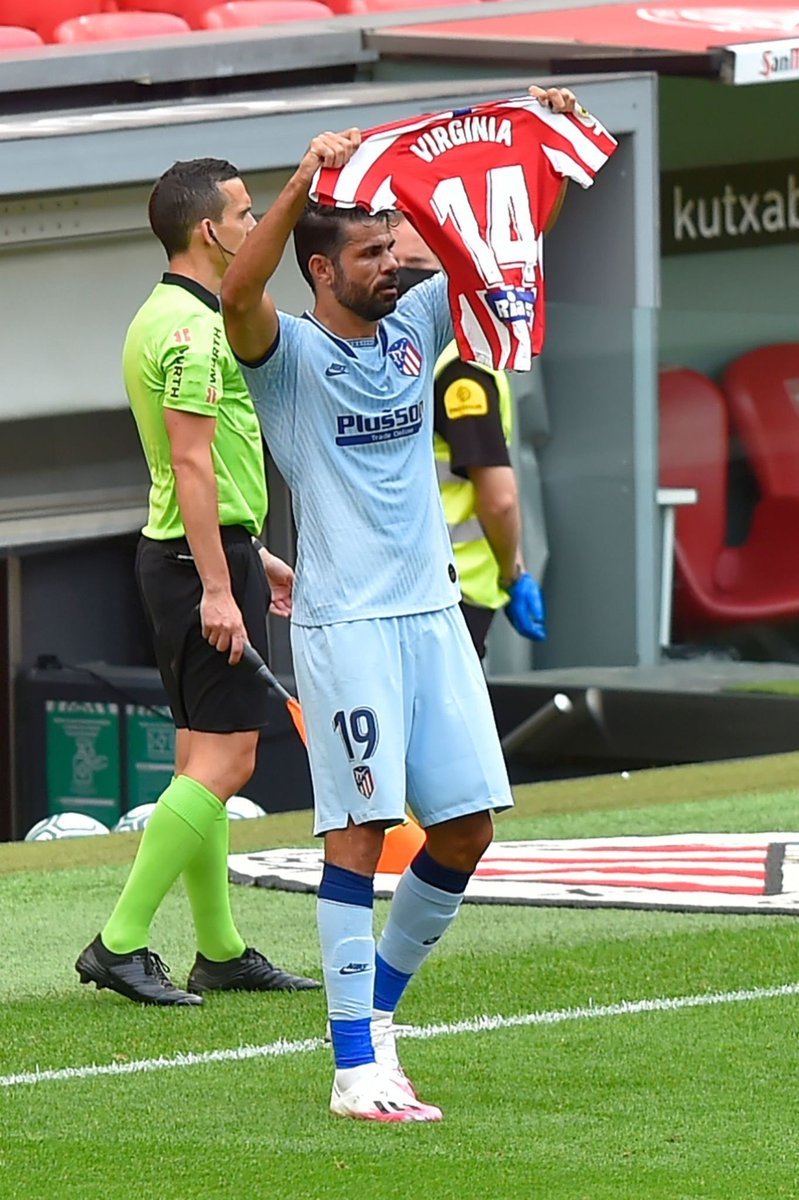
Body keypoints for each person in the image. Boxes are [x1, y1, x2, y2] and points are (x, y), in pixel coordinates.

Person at [221, 85, 581, 1121]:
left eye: (397, 246)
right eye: (373, 252)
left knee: (465, 830)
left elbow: (503, 238)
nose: (398, 262)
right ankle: (351, 1069)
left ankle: (377, 1013)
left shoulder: (422, 319)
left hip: (432, 620)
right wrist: (300, 180)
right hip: (348, 628)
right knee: (361, 834)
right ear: (322, 270)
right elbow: (238, 295)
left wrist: (531, 144)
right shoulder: (286, 356)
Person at [75, 158, 321, 1006]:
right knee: (227, 761)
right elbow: (189, 461)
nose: (255, 228)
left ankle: (218, 950)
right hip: (193, 562)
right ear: (208, 231)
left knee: (197, 755)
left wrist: (251, 557)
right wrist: (221, 584)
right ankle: (118, 942)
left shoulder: (170, 314)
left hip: (197, 553)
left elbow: (203, 464)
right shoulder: (193, 330)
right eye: (245, 215)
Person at [393, 216, 546, 661]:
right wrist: (512, 575)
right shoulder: (459, 362)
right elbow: (498, 498)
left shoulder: (390, 349)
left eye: (413, 265)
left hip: (412, 583)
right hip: (454, 587)